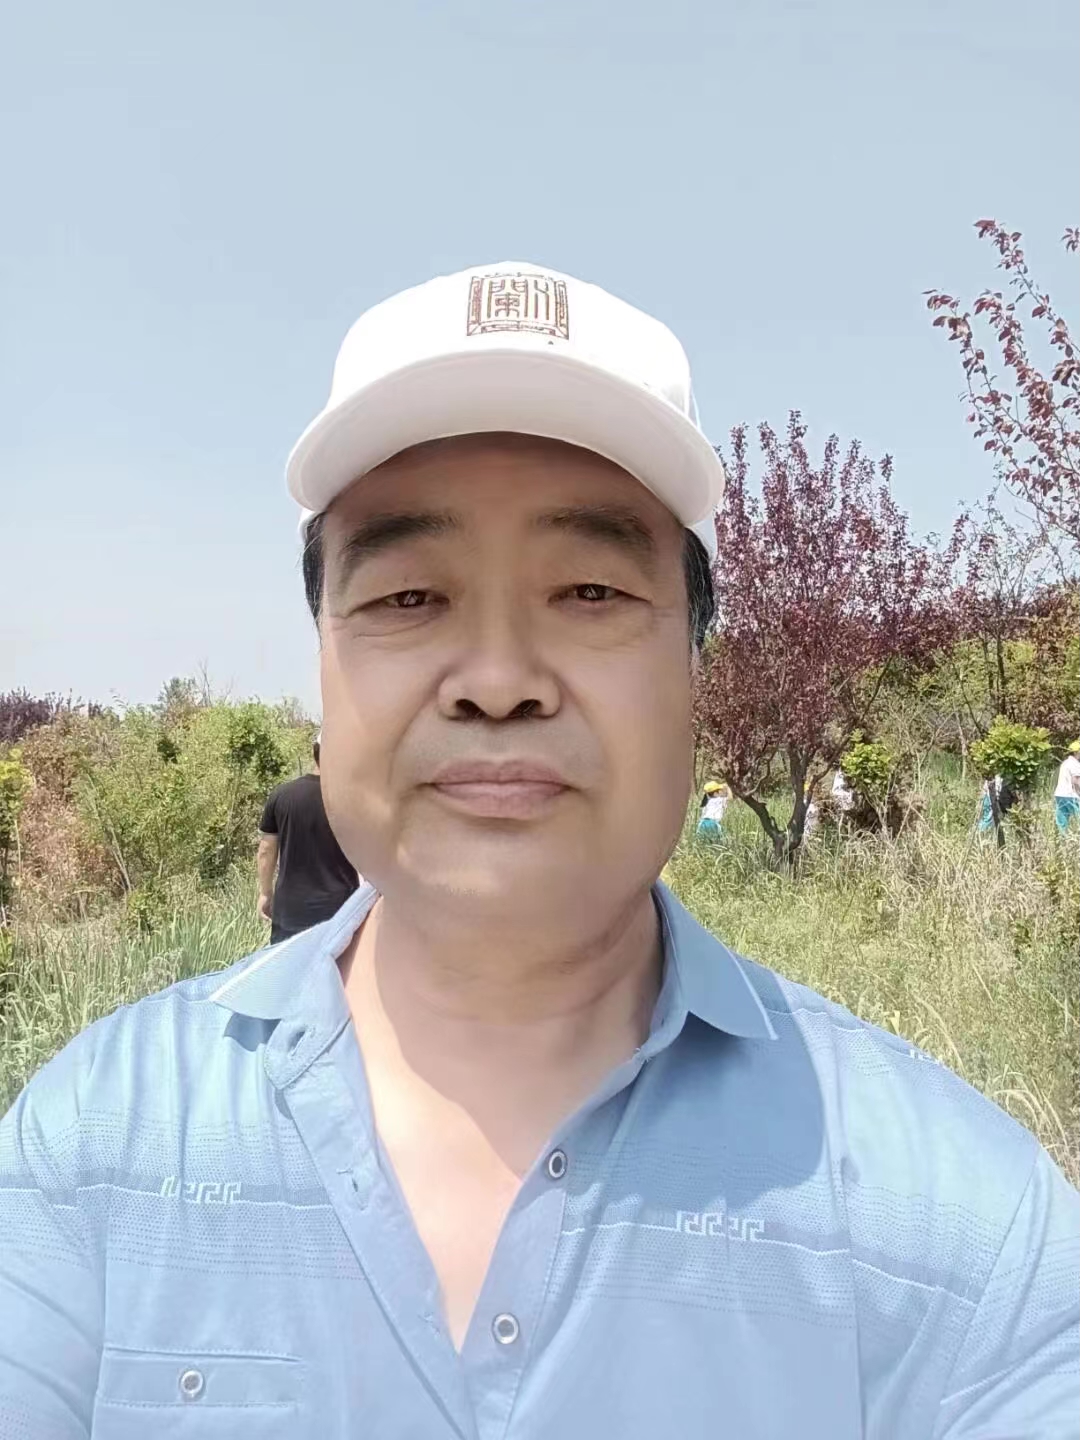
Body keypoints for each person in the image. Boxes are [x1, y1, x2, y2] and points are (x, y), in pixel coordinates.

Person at [2, 262, 1078, 1438]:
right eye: (409, 598)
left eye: (590, 590)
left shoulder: (960, 1240)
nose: (500, 680)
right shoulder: (89, 1156)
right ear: (323, 662)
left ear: (693, 666)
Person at [257, 731, 359, 944]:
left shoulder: (281, 795)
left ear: (315, 753)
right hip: (340, 913)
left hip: (291, 913)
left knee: (289, 965)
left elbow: (266, 850)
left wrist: (265, 893)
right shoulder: (350, 800)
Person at [1054, 739, 1080, 832]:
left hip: (1059, 794)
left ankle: (1062, 838)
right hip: (1071, 795)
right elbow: (1075, 780)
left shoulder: (1065, 763)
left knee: (1062, 820)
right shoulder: (1075, 764)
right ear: (1076, 752)